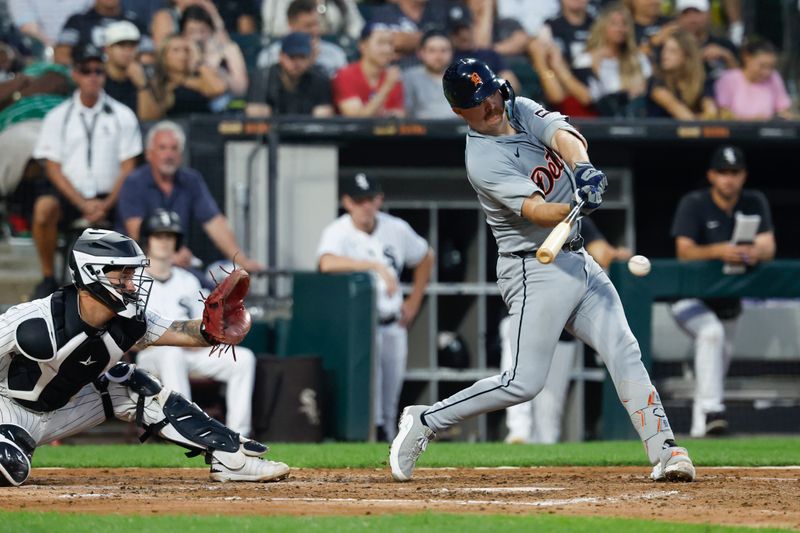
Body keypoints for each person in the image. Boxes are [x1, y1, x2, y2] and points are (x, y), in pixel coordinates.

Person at [389, 58, 696, 483]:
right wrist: (572, 206)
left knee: (623, 350)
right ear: (462, 112)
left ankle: (665, 450)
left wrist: (584, 169)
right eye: (480, 101)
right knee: (523, 383)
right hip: (533, 267)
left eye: (492, 92)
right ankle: (426, 419)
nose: (492, 104)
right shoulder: (482, 159)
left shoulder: (517, 108)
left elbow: (563, 135)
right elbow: (535, 209)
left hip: (576, 256)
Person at [0, 227, 289, 486]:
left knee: (131, 381)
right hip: (8, 411)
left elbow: (181, 332)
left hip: (63, 409)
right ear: (92, 273)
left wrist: (211, 329)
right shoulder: (33, 323)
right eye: (122, 275)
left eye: (131, 274)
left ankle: (231, 457)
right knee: (9, 468)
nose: (132, 284)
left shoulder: (129, 321)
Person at [317, 173, 434, 441]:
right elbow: (326, 263)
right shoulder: (338, 231)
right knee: (369, 399)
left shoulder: (396, 228)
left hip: (393, 321)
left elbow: (426, 256)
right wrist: (373, 266)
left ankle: (388, 443)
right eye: (359, 201)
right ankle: (371, 440)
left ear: (379, 199)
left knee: (390, 399)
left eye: (370, 199)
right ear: (347, 202)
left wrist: (414, 301)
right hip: (360, 328)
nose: (366, 206)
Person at [670, 145, 775, 438]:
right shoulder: (694, 203)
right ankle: (715, 411)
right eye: (723, 172)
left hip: (728, 303)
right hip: (688, 299)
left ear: (743, 175)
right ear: (711, 175)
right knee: (711, 333)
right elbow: (684, 251)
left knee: (715, 368)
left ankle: (701, 430)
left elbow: (769, 245)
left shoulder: (754, 201)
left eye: (735, 172)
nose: (729, 179)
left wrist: (752, 252)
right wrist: (719, 250)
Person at [501, 217, 632, 444]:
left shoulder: (576, 222)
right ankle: (518, 432)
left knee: (549, 413)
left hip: (562, 328)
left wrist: (616, 254)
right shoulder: (523, 221)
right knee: (517, 376)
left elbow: (601, 254)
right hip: (528, 315)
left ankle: (543, 447)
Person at [31, 43, 142, 299]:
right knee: (43, 209)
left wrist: (105, 204)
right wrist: (82, 203)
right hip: (72, 196)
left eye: (98, 71)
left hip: (111, 196)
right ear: (75, 74)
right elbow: (52, 167)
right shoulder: (58, 116)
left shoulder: (122, 114)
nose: (93, 76)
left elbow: (128, 166)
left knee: (138, 206)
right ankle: (48, 276)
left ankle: (134, 276)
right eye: (86, 70)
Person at [135, 209, 257, 437]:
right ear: (147, 240)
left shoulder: (188, 280)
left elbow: (207, 322)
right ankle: (185, 431)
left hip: (191, 351)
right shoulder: (135, 281)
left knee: (244, 359)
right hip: (153, 355)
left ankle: (237, 436)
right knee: (172, 355)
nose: (164, 242)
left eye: (170, 237)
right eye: (158, 236)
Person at [116, 120, 264, 274]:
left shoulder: (191, 180)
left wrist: (242, 261)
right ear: (149, 153)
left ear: (181, 154)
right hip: (139, 264)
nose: (169, 155)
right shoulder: (133, 182)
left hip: (179, 264)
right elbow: (137, 230)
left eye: (174, 149)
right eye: (162, 148)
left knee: (209, 289)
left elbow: (215, 223)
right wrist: (170, 255)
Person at [530, 0, 597, 117]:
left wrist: (559, 66)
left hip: (595, 96)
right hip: (561, 95)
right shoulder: (549, 27)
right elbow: (556, 96)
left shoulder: (599, 26)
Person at [584, 3, 652, 118]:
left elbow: (641, 91)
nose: (620, 29)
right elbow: (590, 97)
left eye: (624, 24)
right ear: (603, 26)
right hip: (599, 120)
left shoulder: (638, 58)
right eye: (614, 24)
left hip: (634, 118)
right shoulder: (587, 59)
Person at [138, 34, 226, 121]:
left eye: (186, 50)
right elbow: (148, 117)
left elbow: (218, 89)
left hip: (204, 129)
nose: (183, 55)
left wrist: (198, 62)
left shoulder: (198, 78)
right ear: (164, 57)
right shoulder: (157, 83)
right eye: (176, 50)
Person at [245, 32, 334, 118]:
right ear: (281, 56)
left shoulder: (320, 80)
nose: (297, 63)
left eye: (302, 57)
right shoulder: (263, 77)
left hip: (307, 132)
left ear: (310, 58)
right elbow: (256, 118)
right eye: (292, 56)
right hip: (273, 132)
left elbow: (322, 121)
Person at [257, 0, 348, 80]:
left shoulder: (335, 54)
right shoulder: (271, 55)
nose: (314, 30)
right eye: (308, 26)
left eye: (316, 24)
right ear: (291, 24)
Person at [179, 3, 249, 103]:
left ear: (211, 30)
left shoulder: (228, 50)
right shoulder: (178, 53)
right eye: (192, 32)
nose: (198, 37)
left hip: (224, 105)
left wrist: (218, 72)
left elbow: (241, 89)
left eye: (202, 31)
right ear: (183, 33)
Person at [332, 23, 405, 118]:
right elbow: (356, 120)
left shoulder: (393, 77)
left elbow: (399, 115)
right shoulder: (345, 75)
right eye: (381, 43)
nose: (387, 49)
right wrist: (387, 87)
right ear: (363, 45)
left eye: (390, 43)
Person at [714, 39, 794, 121]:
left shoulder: (774, 77)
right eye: (762, 66)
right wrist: (753, 120)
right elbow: (723, 112)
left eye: (771, 67)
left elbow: (783, 109)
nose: (767, 72)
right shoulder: (729, 79)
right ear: (747, 58)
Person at [646, 29, 717, 119]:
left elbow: (711, 113)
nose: (665, 55)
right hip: (662, 132)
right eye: (664, 49)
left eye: (672, 51)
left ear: (687, 56)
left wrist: (708, 115)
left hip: (694, 131)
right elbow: (684, 116)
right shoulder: (656, 81)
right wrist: (703, 117)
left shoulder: (703, 81)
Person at [54, 0, 149, 65]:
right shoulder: (77, 21)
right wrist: (84, 72)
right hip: (88, 80)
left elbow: (148, 58)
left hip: (126, 82)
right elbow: (61, 56)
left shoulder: (135, 22)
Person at [674, 0, 737, 82]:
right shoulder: (671, 47)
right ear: (678, 18)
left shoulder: (725, 44)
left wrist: (726, 57)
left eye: (697, 13)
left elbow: (742, 81)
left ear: (708, 14)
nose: (692, 20)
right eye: (686, 14)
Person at [402, 29, 454, 119]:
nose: (438, 56)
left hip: (457, 131)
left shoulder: (462, 77)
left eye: (444, 50)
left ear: (451, 53)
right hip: (420, 131)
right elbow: (404, 113)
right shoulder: (409, 77)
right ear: (421, 53)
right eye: (432, 51)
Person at [261, 0, 364, 43]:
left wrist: (348, 40)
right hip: (290, 48)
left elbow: (357, 25)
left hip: (333, 46)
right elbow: (276, 29)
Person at [102, 20, 147, 114]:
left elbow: (150, 119)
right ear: (107, 49)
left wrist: (142, 86)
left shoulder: (145, 75)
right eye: (121, 45)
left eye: (132, 45)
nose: (127, 51)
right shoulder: (95, 76)